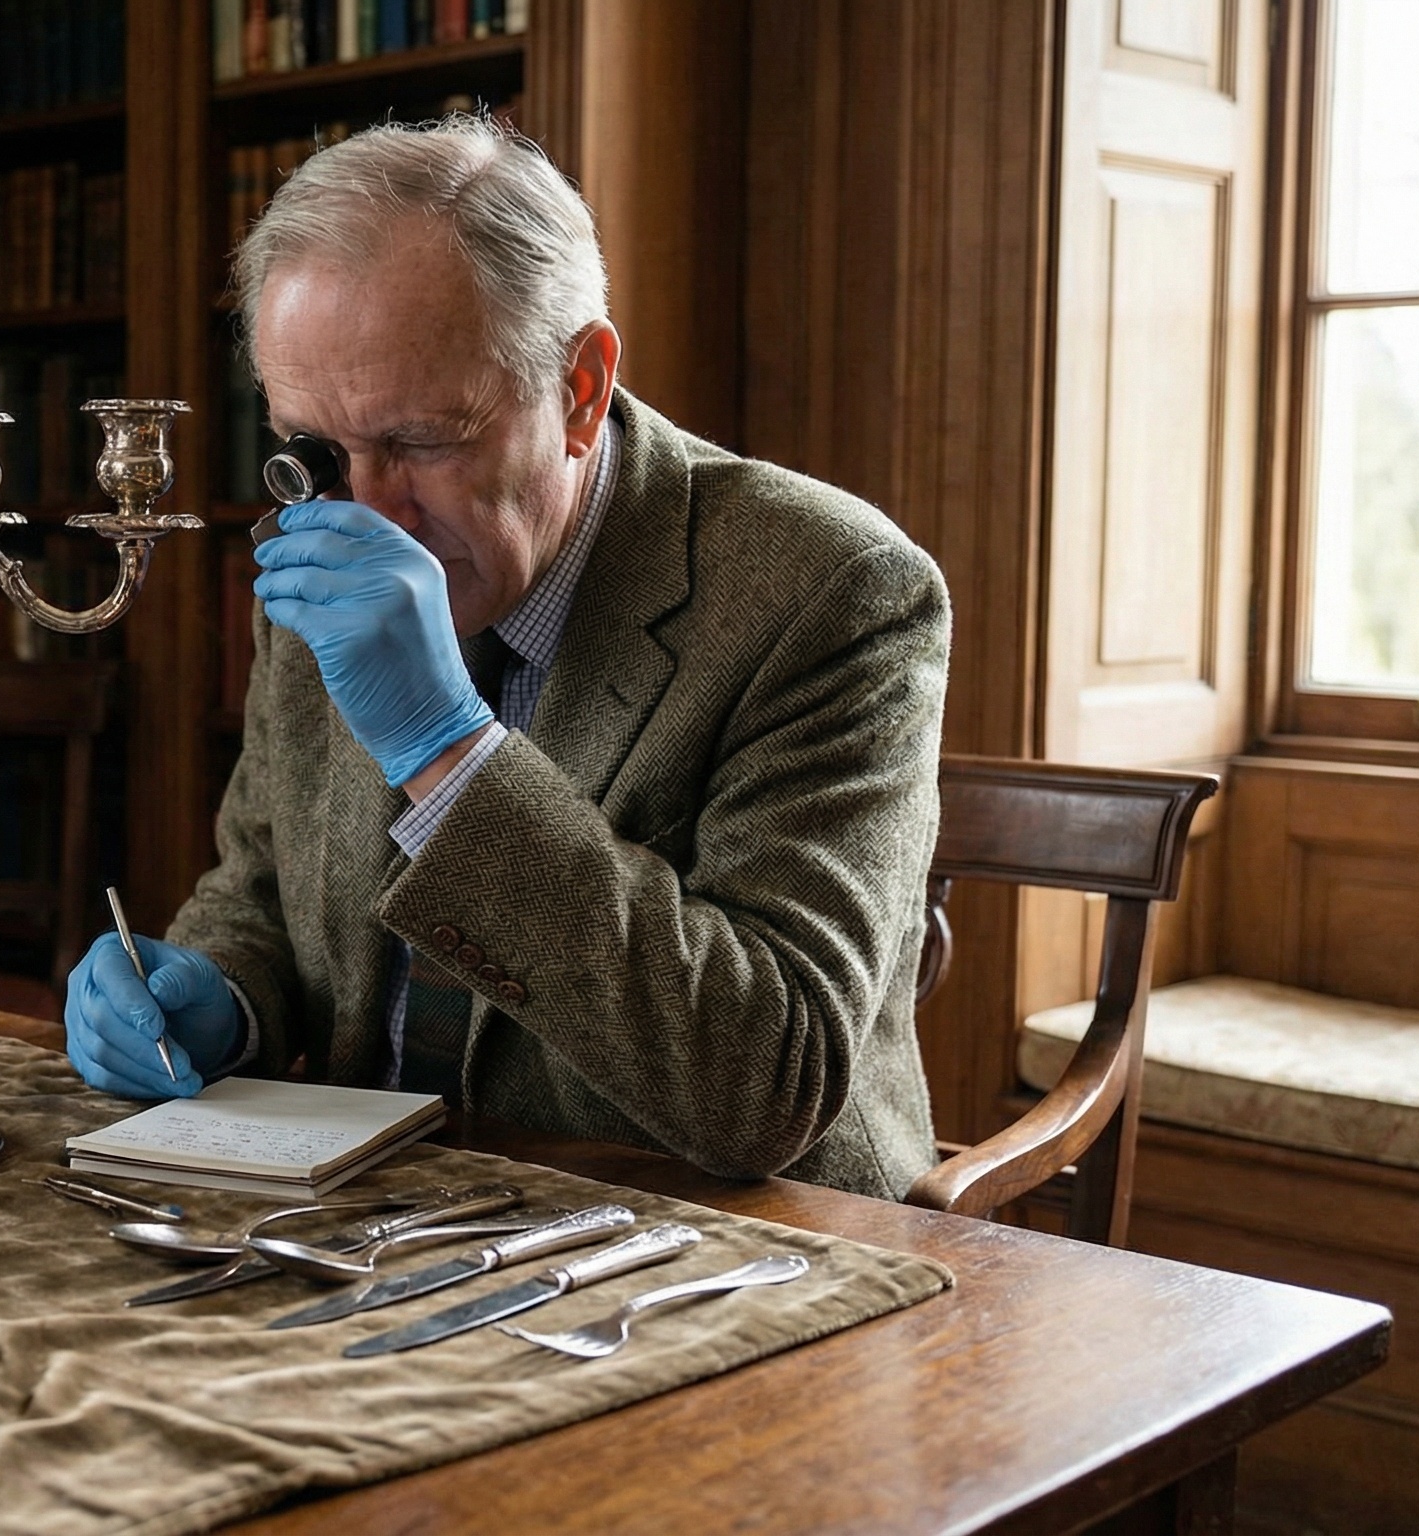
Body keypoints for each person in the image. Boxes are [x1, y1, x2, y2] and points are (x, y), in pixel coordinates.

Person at [62, 115, 951, 1201]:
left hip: (723, 1240)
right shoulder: (322, 554)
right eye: (318, 450)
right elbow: (262, 893)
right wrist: (217, 994)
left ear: (579, 390)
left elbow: (767, 1085)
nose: (371, 513)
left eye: (422, 442)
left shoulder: (829, 588)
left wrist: (448, 754)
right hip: (381, 1216)